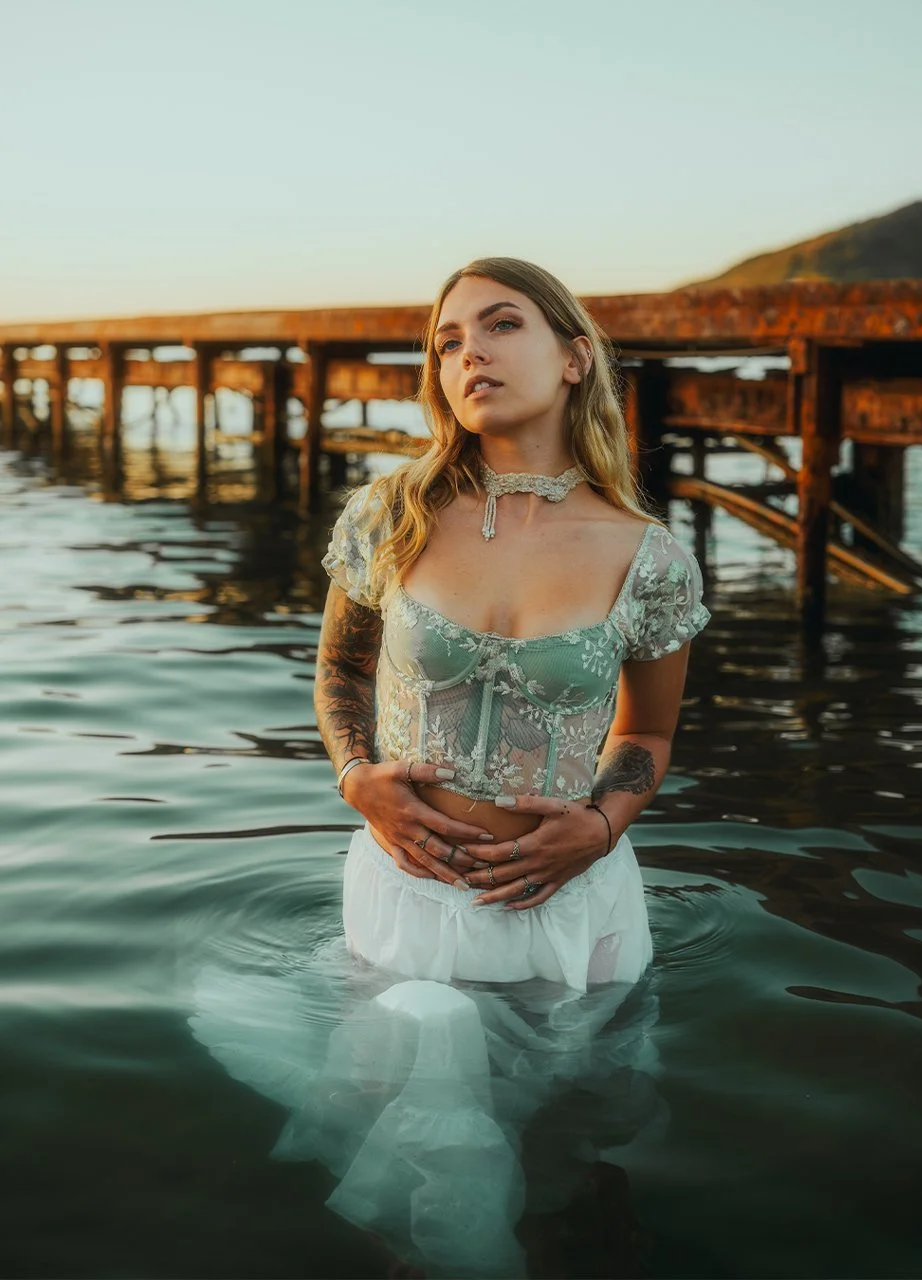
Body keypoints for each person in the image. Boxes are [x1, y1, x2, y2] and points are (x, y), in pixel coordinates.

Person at [191, 257, 711, 1280]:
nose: (467, 348)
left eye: (500, 323)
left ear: (572, 357)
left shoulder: (647, 553)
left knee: (574, 1154)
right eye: (446, 337)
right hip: (410, 894)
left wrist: (599, 827)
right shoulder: (391, 513)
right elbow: (339, 667)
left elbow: (646, 733)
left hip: (570, 906)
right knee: (423, 1162)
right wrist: (354, 776)